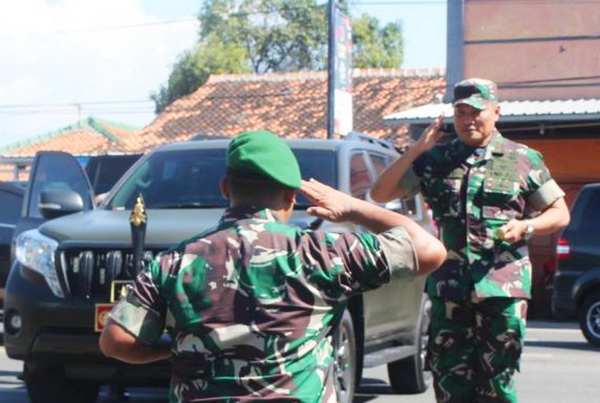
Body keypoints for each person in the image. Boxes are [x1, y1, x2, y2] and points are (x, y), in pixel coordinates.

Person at [99, 130, 446, 402]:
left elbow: (115, 342)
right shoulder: (319, 253)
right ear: (291, 197)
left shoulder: (175, 261)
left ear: (225, 188)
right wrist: (353, 208)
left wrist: (176, 348)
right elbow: (429, 250)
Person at [370, 78, 571, 402]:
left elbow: (560, 213)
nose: (468, 119)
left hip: (503, 288)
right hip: (450, 287)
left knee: (498, 380)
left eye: (476, 111)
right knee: (450, 379)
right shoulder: (435, 160)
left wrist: (525, 226)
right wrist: (416, 150)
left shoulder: (522, 158)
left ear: (496, 112)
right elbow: (380, 193)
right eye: (461, 112)